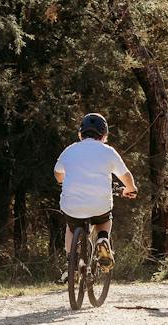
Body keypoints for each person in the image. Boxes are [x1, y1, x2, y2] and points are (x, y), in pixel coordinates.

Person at [53, 112, 137, 269]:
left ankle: (72, 260)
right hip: (99, 205)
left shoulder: (70, 150)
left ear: (80, 134)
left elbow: (57, 173)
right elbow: (125, 175)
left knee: (71, 227)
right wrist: (131, 189)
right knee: (104, 219)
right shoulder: (108, 151)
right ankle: (103, 239)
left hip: (72, 206)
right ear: (104, 135)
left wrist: (64, 180)